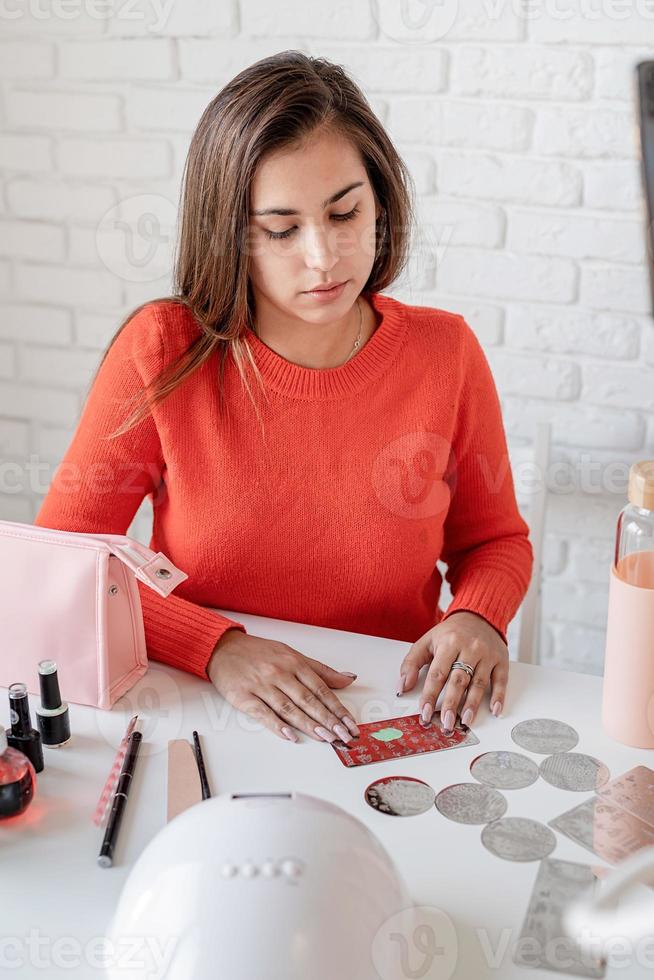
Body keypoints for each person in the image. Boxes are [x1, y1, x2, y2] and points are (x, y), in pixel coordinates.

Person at [35, 51, 533, 746]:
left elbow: (496, 541)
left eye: (345, 212)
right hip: (203, 711)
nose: (324, 258)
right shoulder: (163, 350)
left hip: (387, 712)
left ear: (381, 201)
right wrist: (217, 646)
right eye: (281, 230)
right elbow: (67, 564)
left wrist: (478, 615)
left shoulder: (444, 353)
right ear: (229, 234)